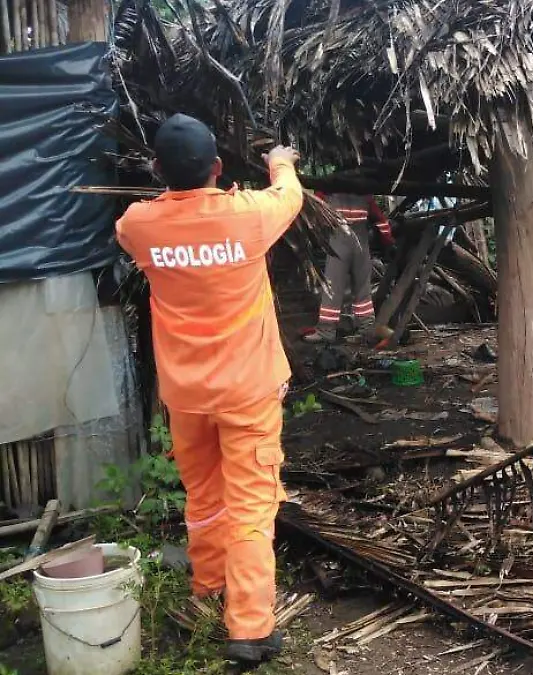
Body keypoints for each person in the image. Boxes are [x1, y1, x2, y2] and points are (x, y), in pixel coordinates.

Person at [115, 114, 304, 664]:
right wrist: (281, 161)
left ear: (156, 168)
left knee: (203, 494)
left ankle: (209, 583)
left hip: (187, 395)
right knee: (250, 503)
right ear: (219, 168)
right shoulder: (248, 215)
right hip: (247, 391)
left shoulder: (139, 225)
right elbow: (287, 192)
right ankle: (248, 629)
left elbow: (141, 221)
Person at [305, 192, 394, 344]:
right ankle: (366, 327)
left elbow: (312, 216)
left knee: (333, 287)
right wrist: (388, 241)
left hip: (339, 240)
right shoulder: (364, 193)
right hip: (361, 243)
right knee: (362, 288)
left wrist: (313, 237)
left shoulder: (326, 191)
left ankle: (327, 331)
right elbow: (380, 220)